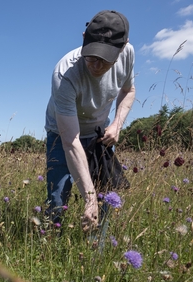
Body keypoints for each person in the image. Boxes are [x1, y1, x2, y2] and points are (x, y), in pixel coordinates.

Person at [44, 10, 135, 232]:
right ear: (84, 37)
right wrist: (88, 197)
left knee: (105, 200)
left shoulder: (128, 54)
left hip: (97, 134)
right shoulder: (65, 74)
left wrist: (116, 124)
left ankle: (95, 251)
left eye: (105, 60)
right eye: (91, 57)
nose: (96, 66)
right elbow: (70, 141)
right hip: (62, 135)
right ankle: (49, 243)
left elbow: (128, 90)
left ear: (123, 47)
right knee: (57, 199)